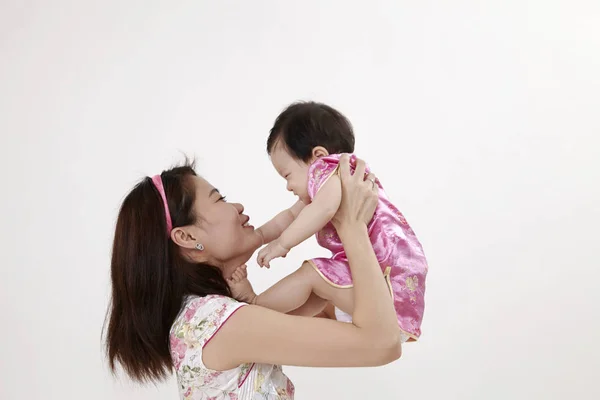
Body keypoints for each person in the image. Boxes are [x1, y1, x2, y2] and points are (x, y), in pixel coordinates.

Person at [104, 154, 402, 399]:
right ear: (187, 237)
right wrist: (351, 226)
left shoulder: (203, 320)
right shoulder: (214, 322)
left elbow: (361, 322)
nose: (237, 207)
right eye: (219, 199)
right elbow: (382, 343)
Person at [230, 101, 428, 343]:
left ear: (318, 156)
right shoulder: (332, 184)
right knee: (317, 291)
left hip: (387, 288)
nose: (288, 186)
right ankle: (269, 323)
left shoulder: (330, 171)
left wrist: (282, 244)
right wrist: (260, 236)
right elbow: (290, 217)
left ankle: (255, 305)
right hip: (382, 287)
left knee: (311, 273)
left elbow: (323, 209)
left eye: (287, 175)